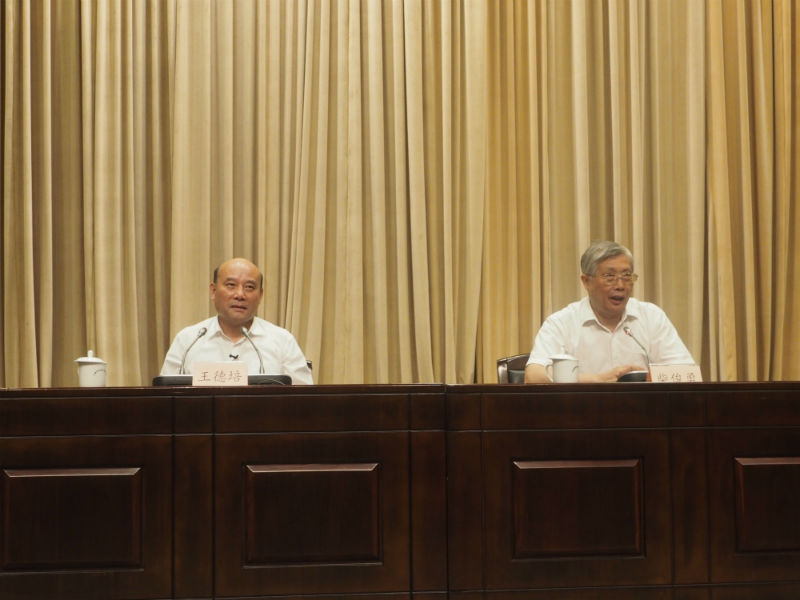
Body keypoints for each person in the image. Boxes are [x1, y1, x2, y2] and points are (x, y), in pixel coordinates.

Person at [524, 241, 695, 383]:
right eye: (609, 277)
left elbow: (687, 373)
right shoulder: (562, 322)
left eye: (626, 276)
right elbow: (533, 376)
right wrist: (596, 380)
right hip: (581, 411)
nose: (620, 285)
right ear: (586, 281)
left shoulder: (651, 317)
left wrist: (646, 379)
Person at [160, 257, 313, 384]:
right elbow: (165, 395)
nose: (240, 295)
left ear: (260, 295)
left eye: (249, 287)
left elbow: (304, 399)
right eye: (231, 285)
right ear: (213, 291)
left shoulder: (282, 341)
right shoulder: (188, 340)